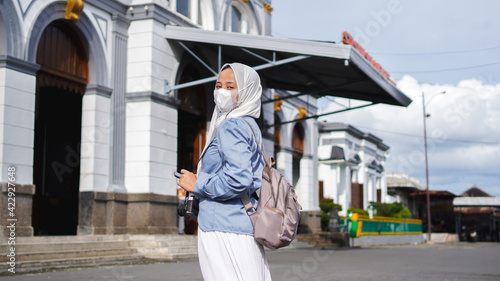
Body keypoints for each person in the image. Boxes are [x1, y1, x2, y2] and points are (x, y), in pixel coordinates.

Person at [177, 62, 272, 281]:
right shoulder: (249, 124)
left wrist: (197, 184)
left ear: (247, 91)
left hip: (224, 227)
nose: (221, 92)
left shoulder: (232, 125)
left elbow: (239, 179)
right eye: (218, 85)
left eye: (231, 87)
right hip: (240, 224)